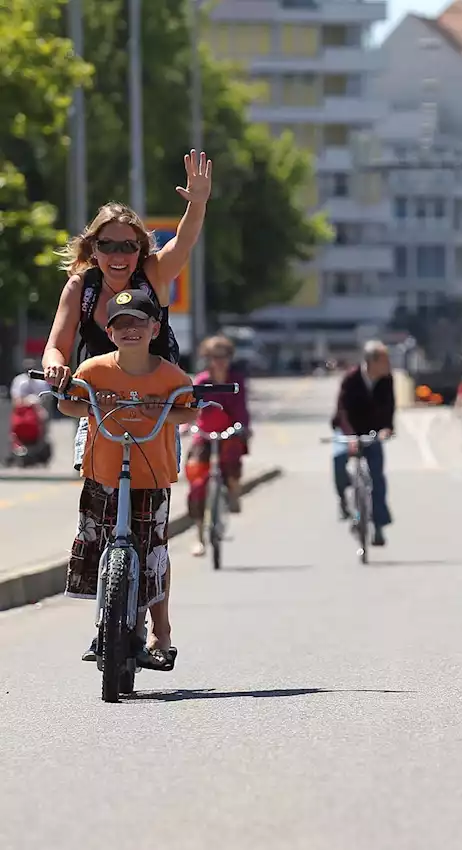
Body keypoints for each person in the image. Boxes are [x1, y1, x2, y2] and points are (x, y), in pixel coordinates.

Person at [42, 150, 212, 476]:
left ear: (140, 250)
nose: (118, 255)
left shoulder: (153, 276)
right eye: (108, 245)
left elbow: (184, 242)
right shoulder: (82, 287)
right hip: (100, 404)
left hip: (155, 403)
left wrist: (198, 203)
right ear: (94, 248)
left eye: (128, 246)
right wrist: (55, 368)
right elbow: (56, 347)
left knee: (153, 498)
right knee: (97, 498)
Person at [60, 290, 196, 670]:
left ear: (155, 328)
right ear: (109, 330)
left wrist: (165, 413)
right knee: (96, 539)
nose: (130, 330)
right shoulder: (93, 370)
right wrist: (89, 404)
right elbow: (67, 402)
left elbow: (189, 411)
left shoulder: (171, 376)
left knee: (152, 547)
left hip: (151, 473)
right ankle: (104, 621)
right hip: (103, 471)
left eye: (139, 323)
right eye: (121, 324)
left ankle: (155, 629)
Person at [187, 335, 252, 556]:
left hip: (230, 433)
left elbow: (242, 408)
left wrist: (243, 426)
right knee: (197, 485)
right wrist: (185, 425)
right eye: (215, 357)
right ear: (208, 358)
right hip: (204, 435)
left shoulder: (236, 380)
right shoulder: (202, 381)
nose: (220, 361)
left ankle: (234, 491)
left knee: (232, 463)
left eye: (224, 357)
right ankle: (199, 538)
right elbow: (189, 407)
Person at [332, 340, 395, 545]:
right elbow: (342, 411)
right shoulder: (351, 379)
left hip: (373, 432)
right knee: (339, 459)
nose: (388, 365)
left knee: (376, 477)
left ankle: (378, 526)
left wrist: (387, 428)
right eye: (385, 361)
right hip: (348, 429)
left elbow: (389, 406)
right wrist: (350, 436)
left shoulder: (387, 380)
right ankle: (344, 498)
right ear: (372, 361)